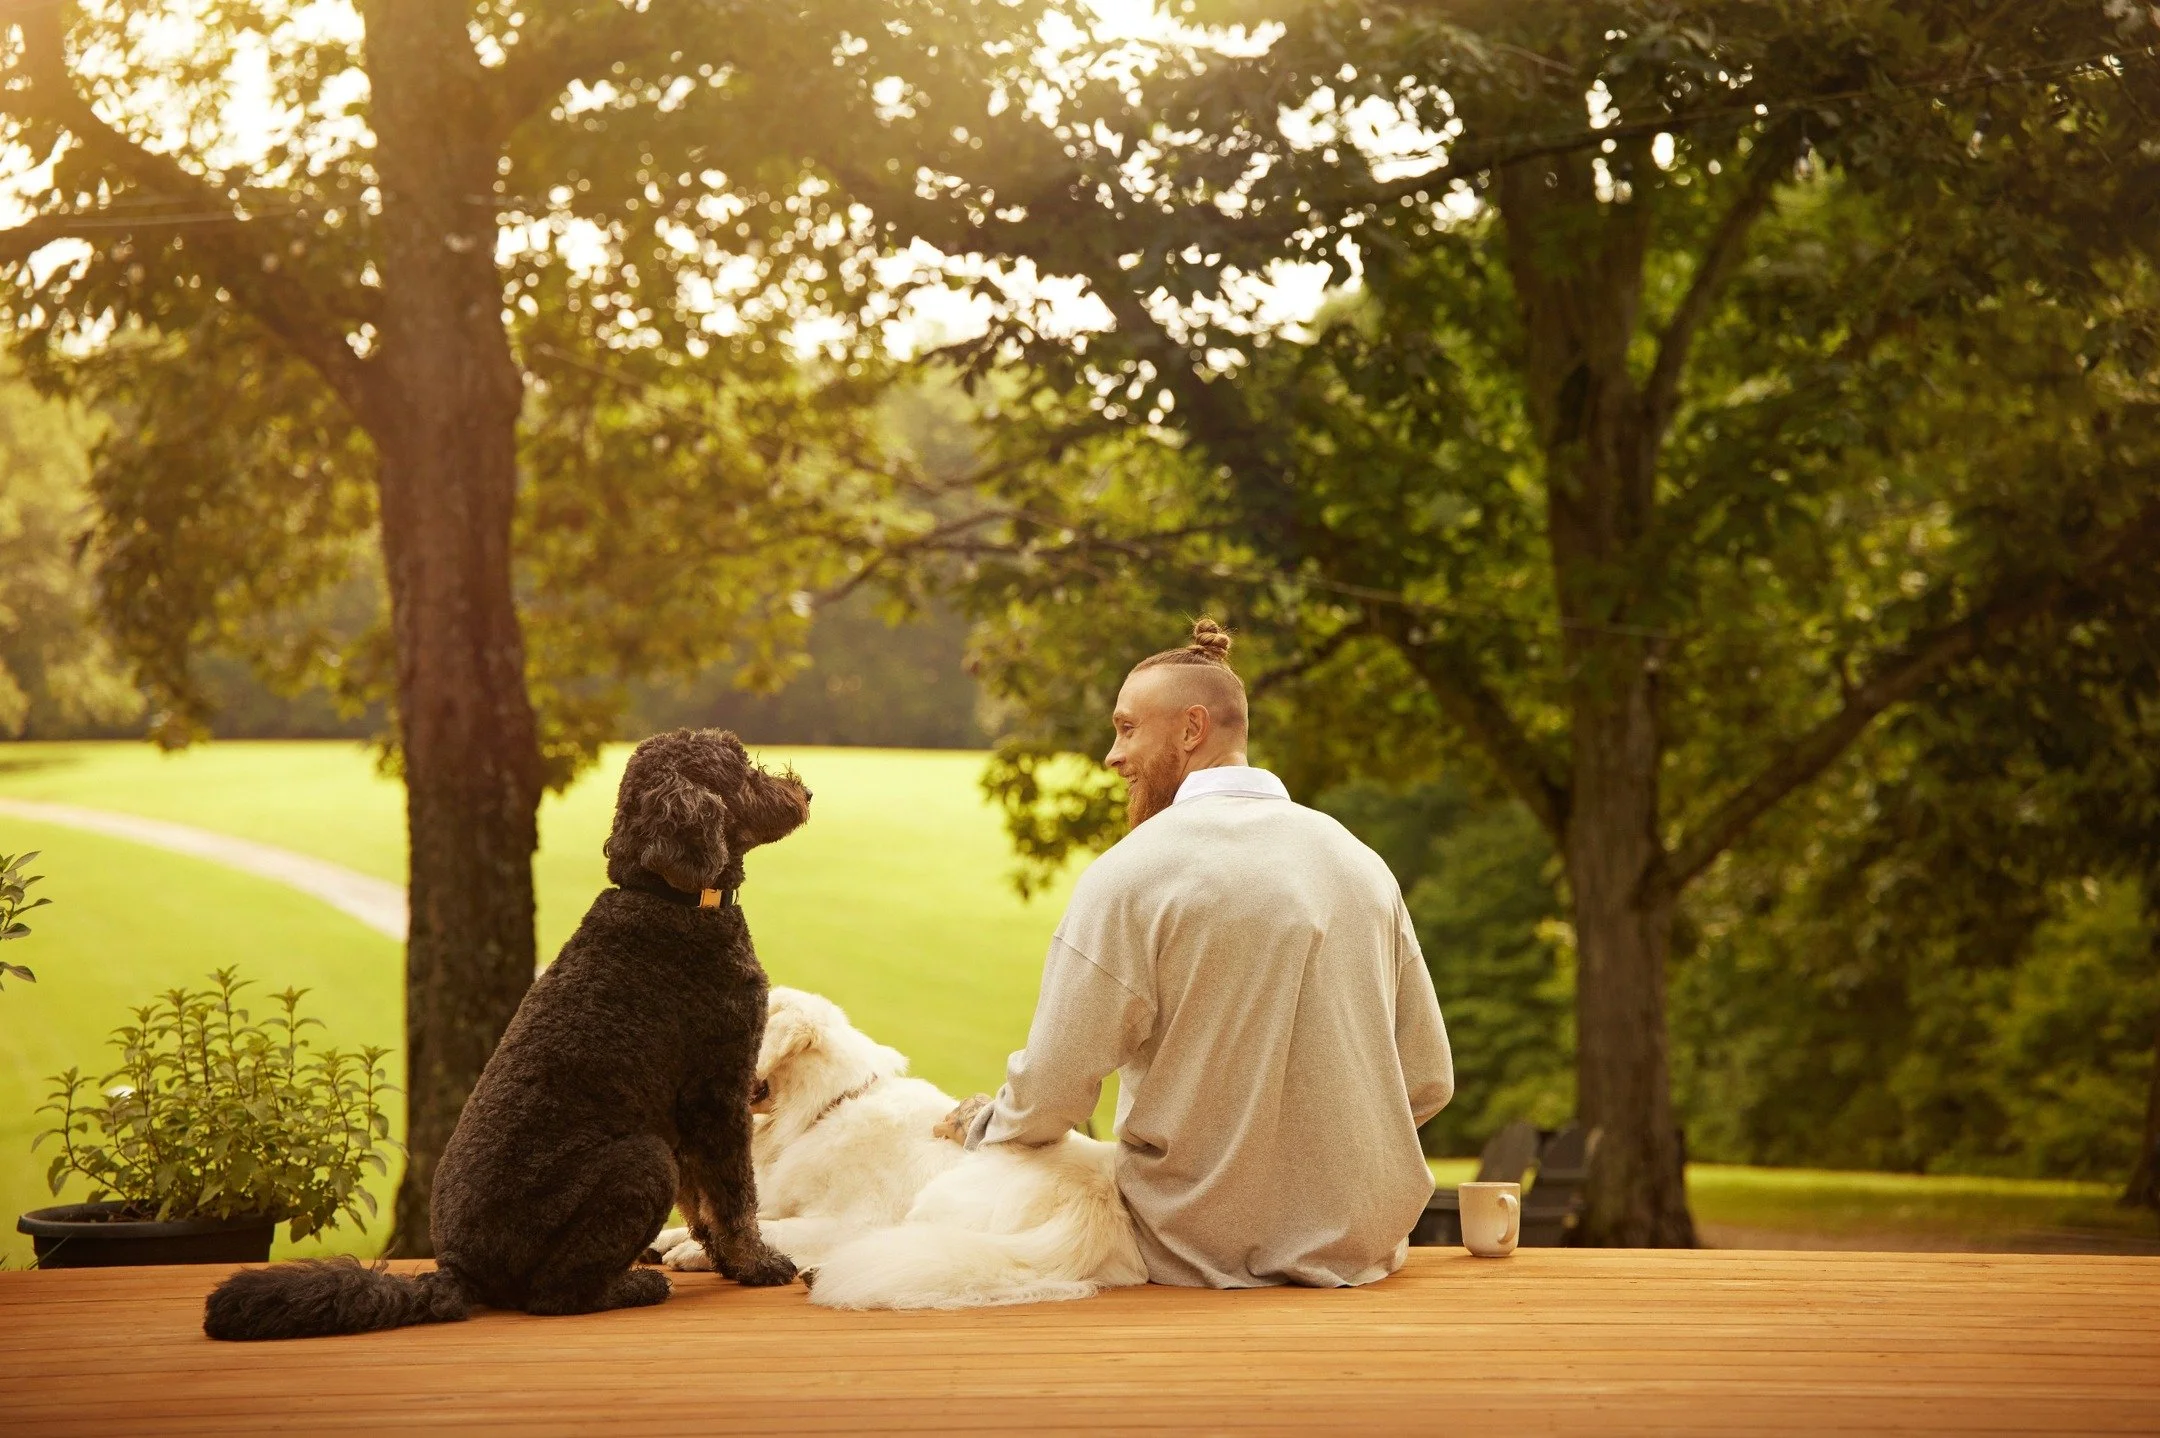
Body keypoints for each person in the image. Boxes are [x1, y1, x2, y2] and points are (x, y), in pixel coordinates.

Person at [937, 618, 1454, 1288]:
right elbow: (1427, 1079)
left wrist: (982, 1126)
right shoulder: (1359, 865)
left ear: (1191, 729)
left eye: (1127, 729)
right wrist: (1317, 1173)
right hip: (1364, 1257)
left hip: (1189, 1255)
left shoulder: (1133, 874)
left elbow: (1052, 1091)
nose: (1112, 756)